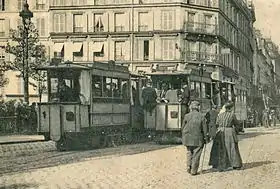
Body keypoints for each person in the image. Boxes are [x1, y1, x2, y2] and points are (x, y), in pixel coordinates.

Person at [209, 101, 243, 172]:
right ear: (230, 108)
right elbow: (236, 123)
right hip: (229, 131)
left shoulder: (220, 115)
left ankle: (219, 164)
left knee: (220, 148)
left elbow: (217, 123)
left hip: (220, 131)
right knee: (232, 147)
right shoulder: (232, 115)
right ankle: (235, 164)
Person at [181, 101, 209, 176]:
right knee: (197, 153)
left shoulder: (187, 116)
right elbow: (204, 129)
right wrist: (206, 138)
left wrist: (184, 136)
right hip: (198, 138)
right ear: (198, 107)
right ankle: (194, 170)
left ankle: (188, 166)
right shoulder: (202, 116)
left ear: (191, 107)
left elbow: (182, 127)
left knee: (189, 152)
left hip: (187, 138)